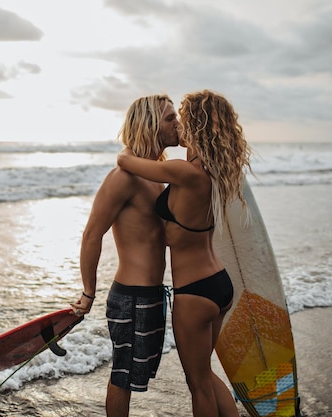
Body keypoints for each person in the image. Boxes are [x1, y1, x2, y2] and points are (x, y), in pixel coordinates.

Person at [116, 89, 251, 417]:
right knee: (205, 374)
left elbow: (126, 161)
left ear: (196, 126)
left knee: (198, 385)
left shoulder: (184, 172)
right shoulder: (213, 172)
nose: (177, 124)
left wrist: (131, 146)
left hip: (194, 293)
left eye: (182, 118)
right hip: (219, 284)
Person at [70, 94, 179, 417]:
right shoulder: (124, 176)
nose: (178, 124)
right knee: (122, 377)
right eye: (170, 118)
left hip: (152, 294)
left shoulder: (156, 171)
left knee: (133, 375)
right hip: (131, 298)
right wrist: (88, 292)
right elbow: (92, 234)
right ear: (150, 124)